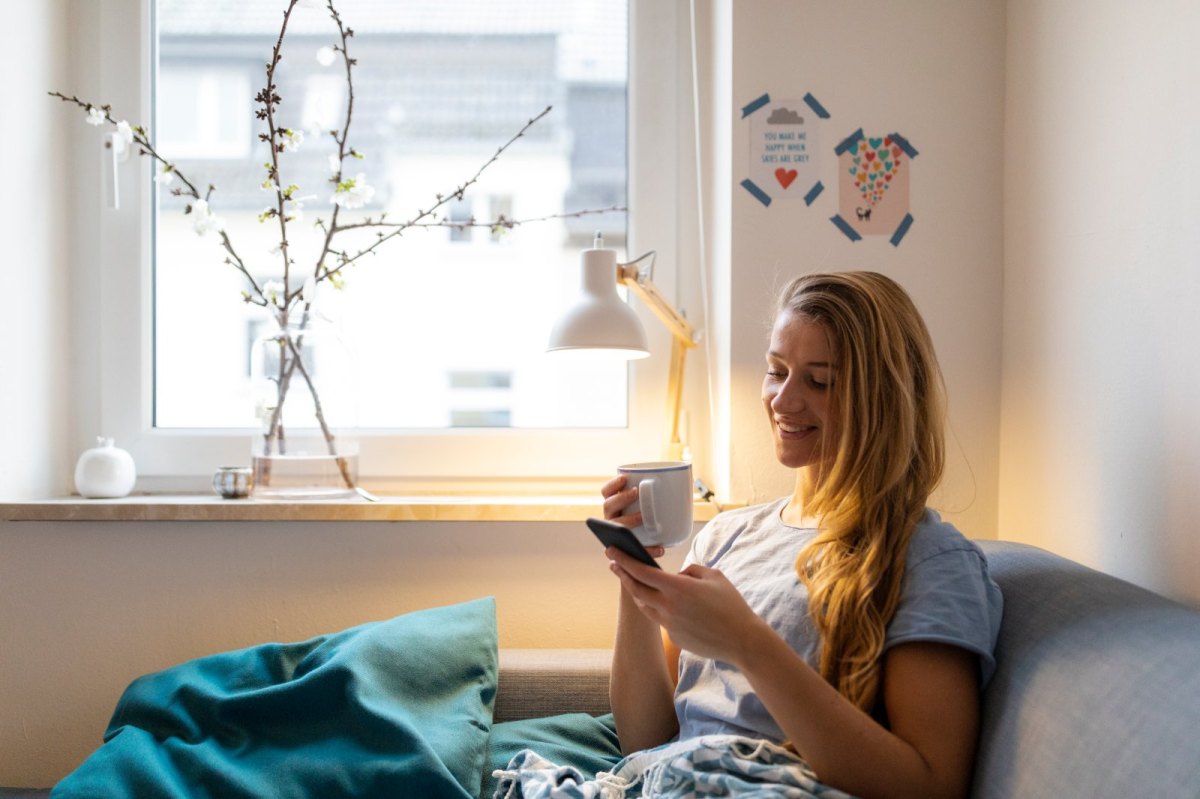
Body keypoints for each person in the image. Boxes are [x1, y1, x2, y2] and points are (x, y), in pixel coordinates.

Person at [600, 271, 1003, 799]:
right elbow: (645, 739)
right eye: (776, 371)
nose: (782, 401)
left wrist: (747, 642)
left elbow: (930, 785)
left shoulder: (927, 560)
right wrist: (636, 577)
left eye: (820, 381)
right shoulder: (726, 536)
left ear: (882, 398)